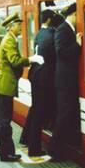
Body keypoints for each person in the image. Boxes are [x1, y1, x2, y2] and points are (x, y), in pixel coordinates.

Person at [0, 13, 44, 162]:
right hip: (5, 86)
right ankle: (7, 153)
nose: (20, 27)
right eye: (17, 25)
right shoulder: (9, 41)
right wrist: (31, 59)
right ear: (10, 27)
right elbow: (15, 61)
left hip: (2, 85)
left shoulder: (10, 39)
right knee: (4, 121)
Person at [48, 2, 82, 161]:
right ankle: (54, 151)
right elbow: (60, 52)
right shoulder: (63, 29)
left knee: (67, 114)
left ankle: (62, 147)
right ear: (74, 14)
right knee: (63, 114)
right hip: (64, 81)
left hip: (68, 79)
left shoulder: (69, 29)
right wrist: (77, 45)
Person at [24, 9, 57, 157]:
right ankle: (34, 148)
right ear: (49, 20)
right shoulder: (51, 35)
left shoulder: (39, 33)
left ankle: (26, 138)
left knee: (35, 109)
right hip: (44, 78)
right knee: (39, 112)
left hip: (35, 75)